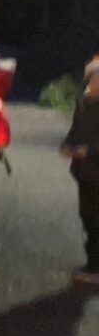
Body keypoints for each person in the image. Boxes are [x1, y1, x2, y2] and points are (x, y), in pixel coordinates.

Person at [63, 57, 99, 291]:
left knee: (96, 220)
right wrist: (67, 145)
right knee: (87, 217)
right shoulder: (85, 101)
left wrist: (89, 151)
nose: (93, 81)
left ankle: (96, 267)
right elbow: (76, 130)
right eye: (92, 77)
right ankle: (92, 264)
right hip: (84, 173)